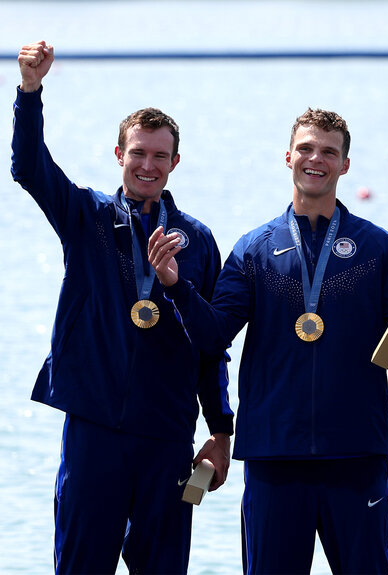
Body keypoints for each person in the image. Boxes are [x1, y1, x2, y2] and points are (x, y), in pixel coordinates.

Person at [148, 107, 388, 574]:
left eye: (329, 151)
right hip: (273, 456)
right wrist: (177, 287)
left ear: (345, 165)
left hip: (356, 453)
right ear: (288, 157)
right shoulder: (254, 248)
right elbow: (213, 334)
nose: (315, 159)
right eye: (306, 149)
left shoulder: (376, 247)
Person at [11, 41, 234, 574]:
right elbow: (29, 168)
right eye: (138, 153)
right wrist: (29, 91)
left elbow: (212, 345)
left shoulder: (198, 242)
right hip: (95, 433)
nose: (148, 165)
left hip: (167, 441)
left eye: (160, 155)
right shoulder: (86, 216)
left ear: (175, 162)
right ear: (119, 156)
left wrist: (221, 431)